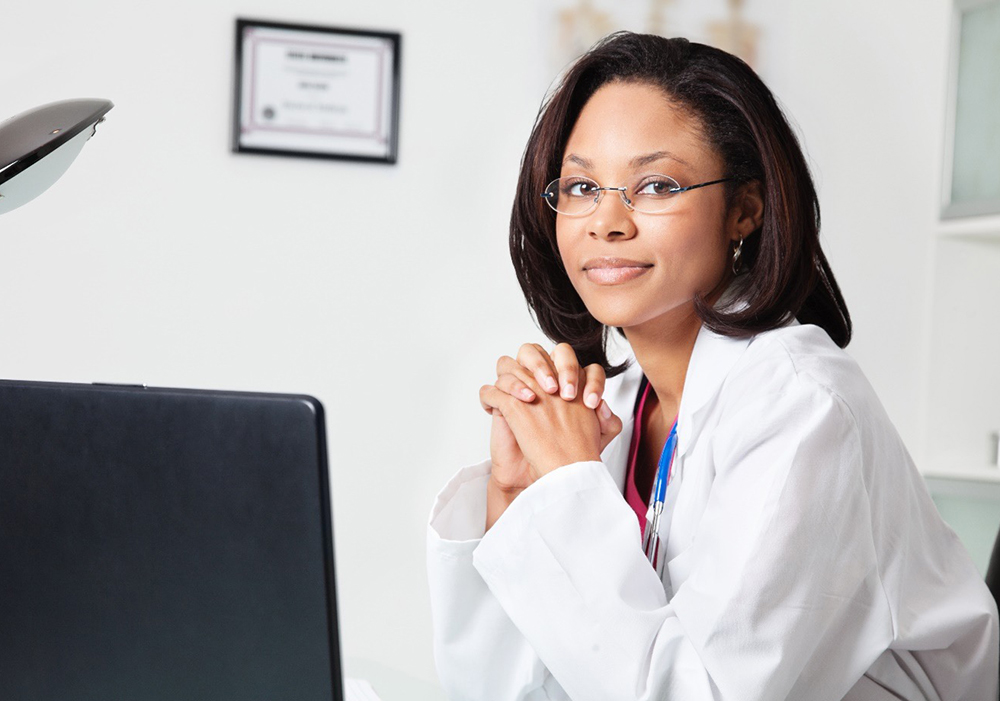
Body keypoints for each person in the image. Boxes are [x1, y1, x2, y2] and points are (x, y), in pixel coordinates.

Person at [426, 32, 999, 700]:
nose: (607, 220)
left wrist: (566, 493)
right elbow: (500, 687)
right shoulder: (614, 404)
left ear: (745, 211)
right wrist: (516, 500)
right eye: (581, 185)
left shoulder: (801, 405)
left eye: (656, 185)